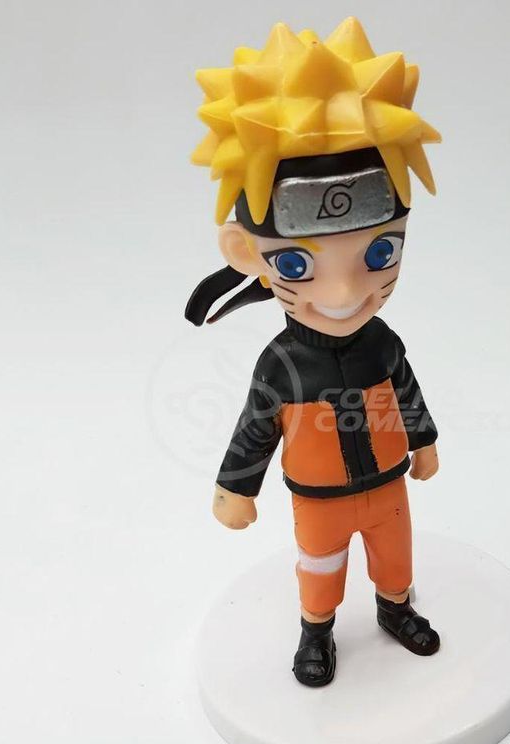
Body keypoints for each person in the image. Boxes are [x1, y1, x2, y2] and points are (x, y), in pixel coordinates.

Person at [186, 17, 442, 687]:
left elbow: (405, 392)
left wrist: (423, 441)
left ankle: (395, 607)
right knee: (320, 566)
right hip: (319, 499)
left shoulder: (382, 344)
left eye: (380, 252)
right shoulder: (282, 365)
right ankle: (317, 630)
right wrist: (235, 487)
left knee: (396, 556)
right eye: (297, 264)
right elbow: (255, 426)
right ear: (247, 253)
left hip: (386, 486)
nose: (344, 292)